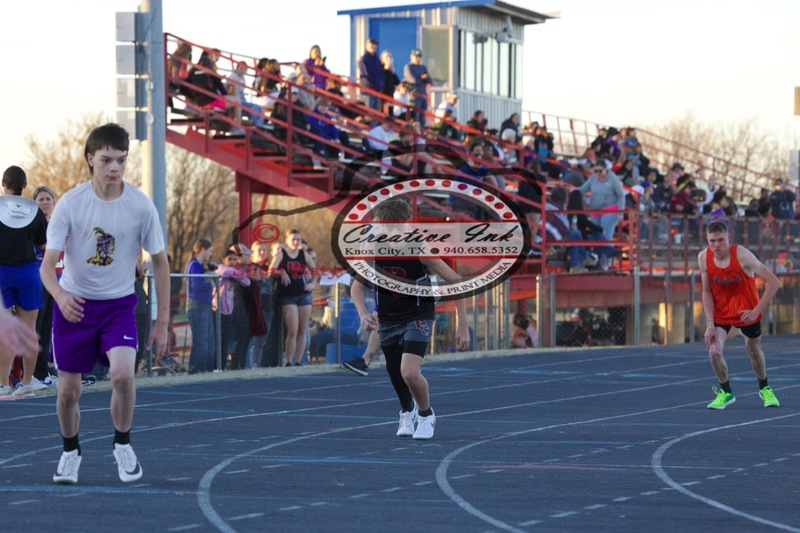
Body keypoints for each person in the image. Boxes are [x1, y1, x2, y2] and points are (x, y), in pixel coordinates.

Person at [40, 123, 169, 484]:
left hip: (118, 306)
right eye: (107, 160)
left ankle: (122, 445)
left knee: (123, 376)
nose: (115, 168)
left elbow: (160, 261)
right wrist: (61, 296)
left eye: (122, 160)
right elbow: (47, 268)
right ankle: (70, 452)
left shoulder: (140, 206)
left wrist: (161, 321)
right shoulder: (70, 203)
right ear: (90, 160)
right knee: (68, 393)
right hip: (75, 306)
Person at [351, 198, 470, 440]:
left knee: (409, 372)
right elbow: (356, 287)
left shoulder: (420, 249)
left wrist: (463, 325)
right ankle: (407, 411)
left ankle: (426, 415)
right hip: (388, 317)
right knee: (395, 373)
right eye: (386, 227)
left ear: (407, 224)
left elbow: (455, 281)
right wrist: (363, 313)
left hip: (418, 314)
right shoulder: (373, 247)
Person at [698, 221, 781, 410]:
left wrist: (755, 311)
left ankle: (764, 387)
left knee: (753, 351)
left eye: (721, 240)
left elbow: (774, 282)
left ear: (728, 238)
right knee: (714, 351)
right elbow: (706, 292)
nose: (717, 246)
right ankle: (726, 392)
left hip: (747, 312)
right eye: (712, 241)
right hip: (721, 313)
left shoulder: (742, 255)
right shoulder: (703, 258)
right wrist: (710, 323)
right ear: (707, 240)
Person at [0, 166, 47, 397]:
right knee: (29, 331)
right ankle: (27, 383)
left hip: (2, 272)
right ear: (25, 185)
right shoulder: (35, 211)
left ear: (3, 183)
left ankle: (3, 384)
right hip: (28, 272)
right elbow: (41, 243)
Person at [268, 229, 316, 366]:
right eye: (293, 239)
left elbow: (315, 270)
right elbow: (270, 270)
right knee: (293, 330)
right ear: (287, 241)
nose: (296, 242)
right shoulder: (281, 254)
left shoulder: (304, 254)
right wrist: (281, 272)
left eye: (298, 240)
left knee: (302, 329)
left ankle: (298, 361)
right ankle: (288, 360)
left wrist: (313, 283)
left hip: (303, 295)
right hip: (288, 295)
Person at [32, 185, 61, 387]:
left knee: (47, 327)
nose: (44, 202)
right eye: (40, 199)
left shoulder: (59, 224)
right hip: (37, 279)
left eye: (47, 199)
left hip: (55, 281)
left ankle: (43, 373)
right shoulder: (31, 224)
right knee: (36, 326)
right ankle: (32, 373)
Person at [185, 238, 216, 374]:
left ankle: (207, 369)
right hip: (196, 306)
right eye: (209, 251)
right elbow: (195, 286)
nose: (210, 254)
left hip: (205, 306)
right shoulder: (194, 265)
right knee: (201, 342)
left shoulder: (201, 266)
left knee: (209, 341)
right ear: (202, 250)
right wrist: (210, 282)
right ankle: (195, 370)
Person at [403, 48, 432, 127]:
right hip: (414, 95)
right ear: (411, 57)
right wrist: (421, 78)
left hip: (423, 95)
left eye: (419, 57)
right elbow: (412, 80)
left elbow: (430, 80)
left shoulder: (423, 67)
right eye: (416, 56)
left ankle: (420, 134)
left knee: (422, 119)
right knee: (415, 117)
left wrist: (425, 78)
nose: (418, 59)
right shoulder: (408, 67)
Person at [358, 38, 384, 111]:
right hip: (368, 90)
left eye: (374, 44)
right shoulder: (364, 59)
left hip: (377, 89)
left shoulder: (376, 59)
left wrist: (380, 84)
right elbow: (366, 75)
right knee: (369, 112)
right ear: (367, 45)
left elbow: (381, 73)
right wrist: (375, 83)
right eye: (371, 44)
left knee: (376, 112)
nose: (373, 46)